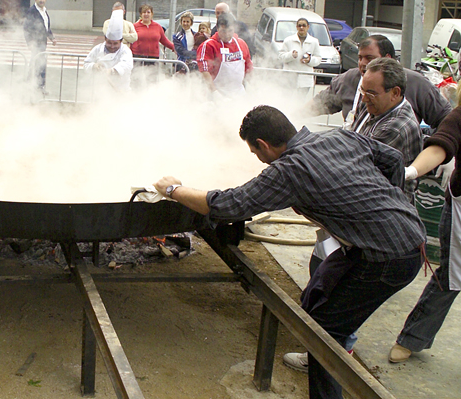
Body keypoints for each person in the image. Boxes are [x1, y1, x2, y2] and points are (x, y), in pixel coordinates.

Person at [154, 105, 425, 399]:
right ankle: (320, 333)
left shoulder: (289, 170)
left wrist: (173, 190)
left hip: (389, 258)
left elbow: (225, 205)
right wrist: (385, 203)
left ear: (263, 145)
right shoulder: (340, 138)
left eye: (255, 153)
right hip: (403, 234)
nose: (258, 159)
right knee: (315, 293)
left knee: (323, 334)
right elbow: (394, 159)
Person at [282, 57, 422, 372]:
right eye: (362, 91)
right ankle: (324, 346)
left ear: (395, 93)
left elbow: (357, 171)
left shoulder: (398, 127)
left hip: (379, 233)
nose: (364, 99)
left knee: (340, 309)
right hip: (356, 226)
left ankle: (334, 354)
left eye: (371, 93)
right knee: (321, 279)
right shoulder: (372, 109)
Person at [387, 86, 461, 364]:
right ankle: (413, 337)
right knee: (453, 275)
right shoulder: (459, 117)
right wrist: (411, 171)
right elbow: (442, 144)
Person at [311, 35, 451, 130]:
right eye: (360, 58)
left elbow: (446, 119)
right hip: (353, 159)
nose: (363, 63)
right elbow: (318, 105)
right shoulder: (347, 80)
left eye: (369, 58)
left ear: (387, 58)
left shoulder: (416, 83)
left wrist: (438, 150)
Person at [197, 12, 253, 97]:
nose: (227, 35)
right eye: (223, 31)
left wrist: (250, 85)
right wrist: (214, 93)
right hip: (217, 94)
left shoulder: (241, 44)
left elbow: (248, 66)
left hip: (239, 93)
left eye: (230, 31)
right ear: (217, 28)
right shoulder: (209, 45)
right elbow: (205, 71)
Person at [83, 9, 133, 92]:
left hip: (121, 90)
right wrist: (94, 66)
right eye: (109, 42)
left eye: (115, 43)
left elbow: (125, 66)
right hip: (99, 91)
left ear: (121, 41)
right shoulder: (98, 49)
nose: (112, 46)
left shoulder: (125, 51)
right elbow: (86, 64)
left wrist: (111, 71)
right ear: (105, 39)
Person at [23, 0, 56, 94]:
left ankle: (38, 86)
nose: (42, 0)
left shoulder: (44, 11)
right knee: (36, 64)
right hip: (35, 43)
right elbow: (26, 28)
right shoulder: (32, 11)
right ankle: (31, 85)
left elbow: (46, 27)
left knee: (40, 64)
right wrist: (29, 43)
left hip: (43, 43)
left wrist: (52, 38)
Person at [279, 17, 321, 96]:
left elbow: (318, 59)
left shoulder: (314, 41)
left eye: (304, 25)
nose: (301, 27)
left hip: (305, 80)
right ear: (296, 27)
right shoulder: (288, 40)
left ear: (308, 27)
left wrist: (309, 60)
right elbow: (281, 56)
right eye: (299, 25)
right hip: (289, 79)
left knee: (300, 101)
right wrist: (291, 55)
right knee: (287, 100)